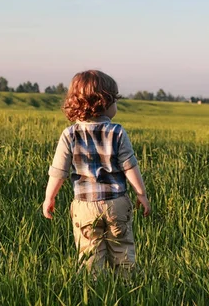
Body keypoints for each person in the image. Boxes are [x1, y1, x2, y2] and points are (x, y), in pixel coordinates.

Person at [42, 70, 151, 274]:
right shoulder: (117, 132)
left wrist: (50, 197)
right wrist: (141, 194)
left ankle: (93, 290)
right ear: (104, 103)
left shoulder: (69, 135)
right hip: (116, 202)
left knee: (90, 255)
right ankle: (128, 287)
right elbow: (130, 166)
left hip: (85, 205)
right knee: (123, 251)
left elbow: (58, 171)